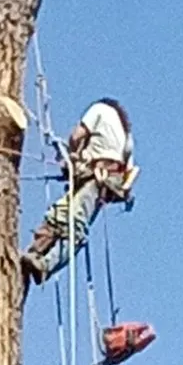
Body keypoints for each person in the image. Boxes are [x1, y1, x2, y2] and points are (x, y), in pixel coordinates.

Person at [22, 97, 138, 286]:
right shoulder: (127, 137)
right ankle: (33, 254)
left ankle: (44, 265)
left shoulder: (99, 109)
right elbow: (127, 176)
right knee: (57, 215)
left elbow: (76, 136)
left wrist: (73, 157)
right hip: (104, 182)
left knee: (73, 226)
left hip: (97, 178)